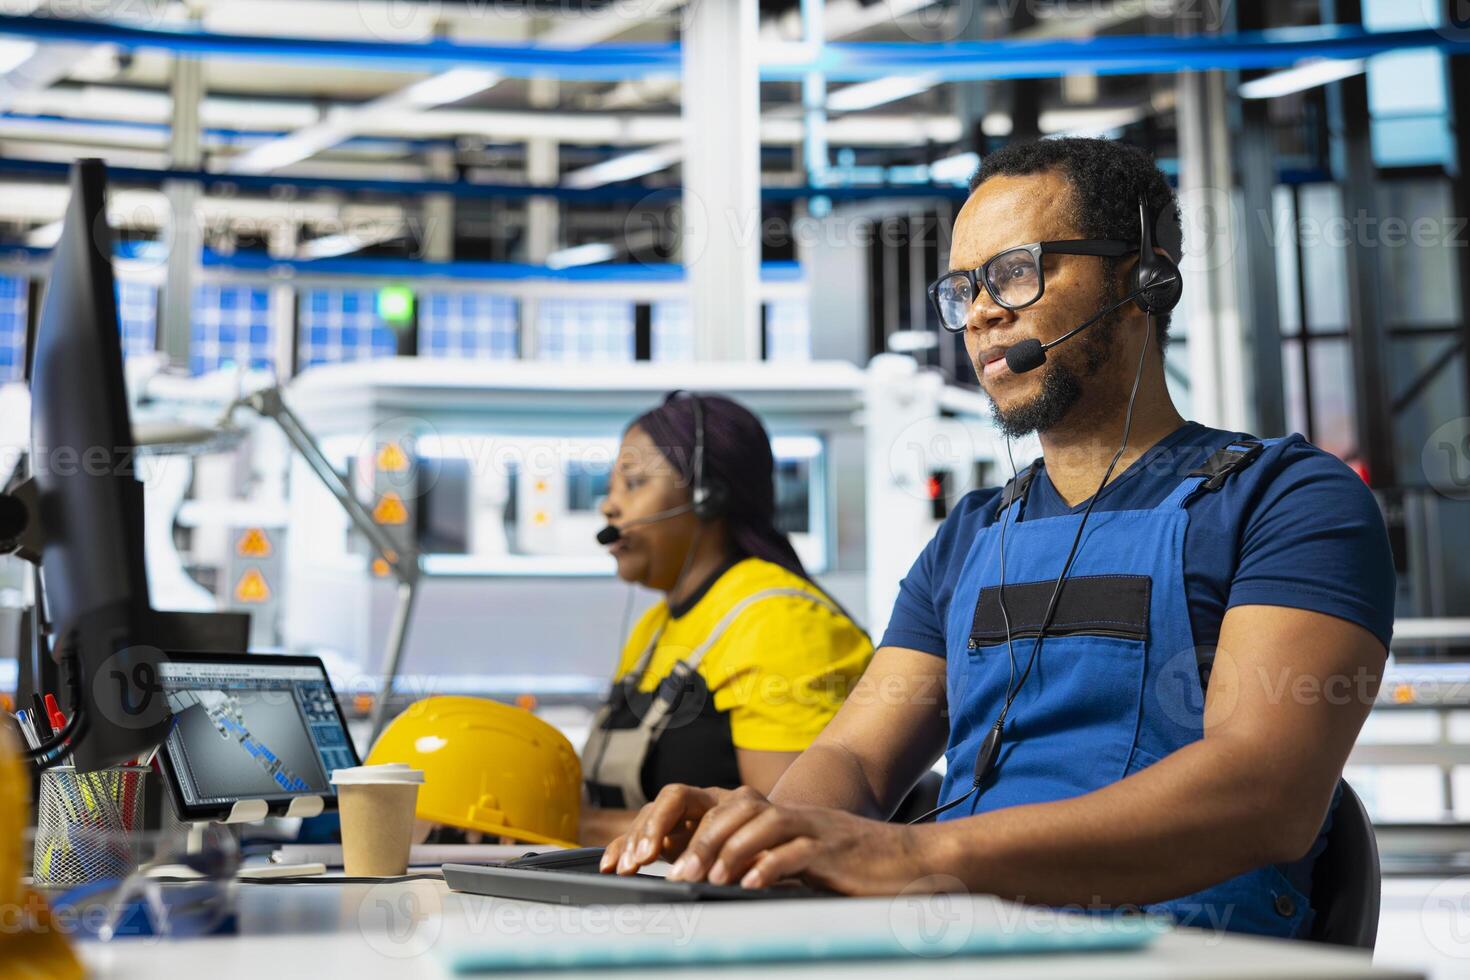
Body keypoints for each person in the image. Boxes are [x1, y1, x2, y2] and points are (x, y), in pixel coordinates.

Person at [600, 138, 1395, 939]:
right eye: (964, 287)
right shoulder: (973, 534)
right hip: (963, 940)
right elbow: (858, 761)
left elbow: (1263, 794)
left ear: (1142, 279)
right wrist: (763, 830)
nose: (980, 313)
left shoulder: (1286, 502)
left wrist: (913, 856)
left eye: (1016, 272)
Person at [579, 391, 873, 845]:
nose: (608, 506)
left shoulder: (781, 621)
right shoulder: (656, 625)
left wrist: (564, 827)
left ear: (705, 498)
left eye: (633, 483)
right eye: (612, 486)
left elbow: (787, 834)